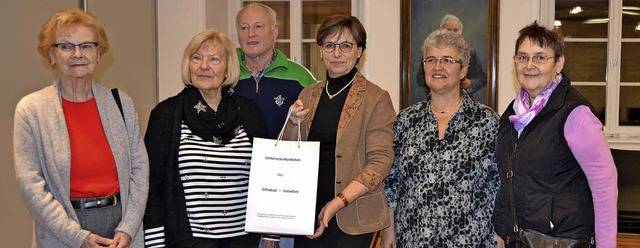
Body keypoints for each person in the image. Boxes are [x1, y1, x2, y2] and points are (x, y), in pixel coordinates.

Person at [13, 7, 149, 247]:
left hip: (120, 230)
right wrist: (77, 236)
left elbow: (139, 170)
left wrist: (128, 229)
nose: (78, 54)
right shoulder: (31, 110)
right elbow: (31, 186)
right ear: (51, 56)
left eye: (87, 46)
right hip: (63, 232)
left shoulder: (121, 104)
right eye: (66, 46)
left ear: (99, 54)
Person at [493, 22, 618, 247]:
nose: (529, 65)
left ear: (558, 63)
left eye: (540, 57)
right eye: (522, 57)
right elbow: (510, 179)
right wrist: (504, 234)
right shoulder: (513, 114)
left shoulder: (576, 114)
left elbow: (604, 186)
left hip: (561, 241)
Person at [142, 29, 269, 248]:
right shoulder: (166, 114)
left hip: (243, 240)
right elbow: (153, 185)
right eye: (196, 58)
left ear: (228, 68)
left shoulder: (249, 112)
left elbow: (267, 177)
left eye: (213, 59)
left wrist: (270, 234)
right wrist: (154, 243)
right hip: (187, 240)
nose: (203, 66)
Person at [381, 29, 499, 247]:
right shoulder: (406, 120)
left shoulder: (487, 121)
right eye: (431, 59)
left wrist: (499, 237)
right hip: (412, 238)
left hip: (473, 240)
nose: (438, 67)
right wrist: (388, 230)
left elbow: (498, 184)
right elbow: (392, 183)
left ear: (463, 70)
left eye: (447, 60)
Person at [286, 14, 396, 247]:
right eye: (329, 45)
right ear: (321, 51)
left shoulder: (376, 98)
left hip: (353, 215)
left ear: (359, 51)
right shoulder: (307, 94)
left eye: (346, 46)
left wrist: (337, 202)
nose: (337, 54)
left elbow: (381, 162)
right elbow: (289, 153)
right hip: (306, 213)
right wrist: (293, 122)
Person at [234, 3, 316, 139]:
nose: (251, 33)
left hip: (283, 159)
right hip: (232, 160)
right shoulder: (223, 74)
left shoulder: (300, 76)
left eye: (258, 26)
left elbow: (316, 128)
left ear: (275, 31)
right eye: (244, 28)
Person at [416, 14, 487, 99]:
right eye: (449, 29)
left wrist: (469, 83)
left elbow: (481, 78)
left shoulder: (470, 53)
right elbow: (420, 78)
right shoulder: (430, 51)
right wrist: (439, 81)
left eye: (455, 30)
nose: (438, 67)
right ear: (441, 30)